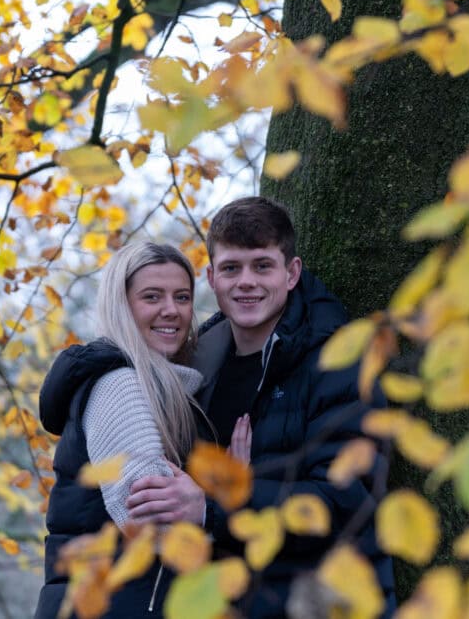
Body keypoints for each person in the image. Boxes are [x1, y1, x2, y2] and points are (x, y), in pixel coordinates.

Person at [127, 197, 396, 618]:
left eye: (262, 266)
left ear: (291, 273)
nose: (246, 281)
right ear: (212, 278)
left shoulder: (337, 361)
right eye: (232, 268)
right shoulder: (195, 371)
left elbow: (348, 503)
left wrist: (217, 505)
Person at [33, 242, 249, 619]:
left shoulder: (167, 390)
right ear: (122, 305)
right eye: (152, 296)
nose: (172, 310)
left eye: (182, 297)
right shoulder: (121, 386)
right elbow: (152, 525)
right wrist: (230, 493)